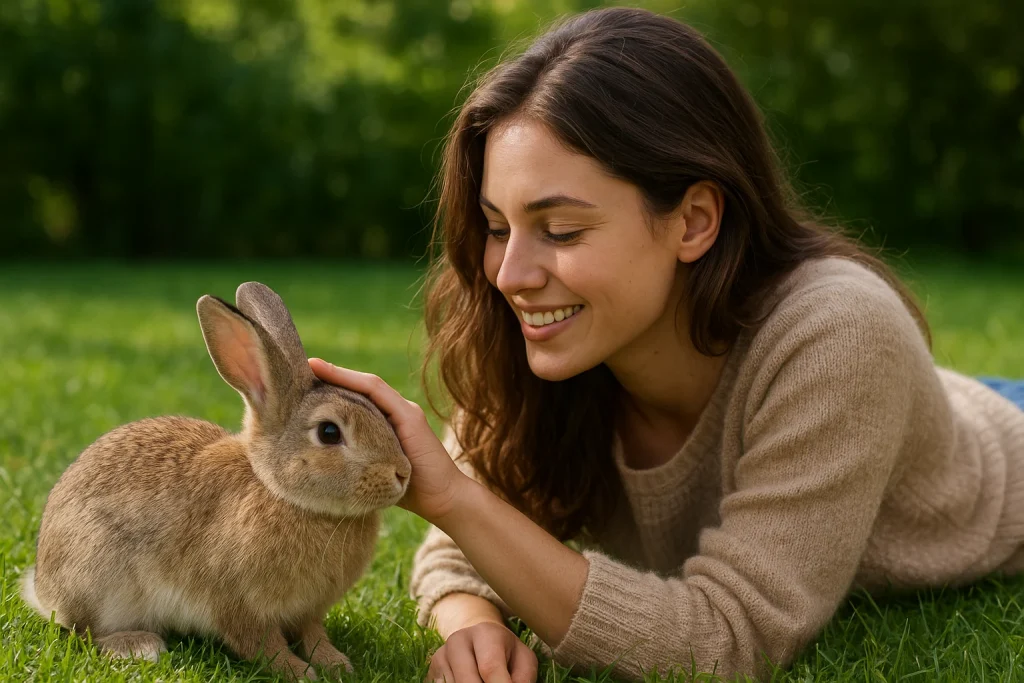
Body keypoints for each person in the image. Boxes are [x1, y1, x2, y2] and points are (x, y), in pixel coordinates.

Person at [309, 6, 1024, 682]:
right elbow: (461, 553)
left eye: (560, 230)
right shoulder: (554, 341)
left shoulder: (840, 334)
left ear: (694, 221)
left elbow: (725, 638)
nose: (510, 274)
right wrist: (471, 622)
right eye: (498, 226)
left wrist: (455, 500)